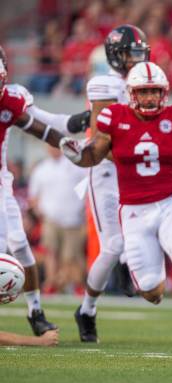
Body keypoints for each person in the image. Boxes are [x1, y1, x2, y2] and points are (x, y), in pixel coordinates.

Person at [59, 61, 172, 349]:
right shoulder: (114, 117)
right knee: (153, 292)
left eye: (154, 91)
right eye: (144, 92)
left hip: (171, 203)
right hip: (135, 211)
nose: (150, 97)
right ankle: (145, 281)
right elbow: (94, 156)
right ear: (131, 93)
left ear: (164, 92)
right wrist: (76, 156)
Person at [1, 45, 88, 336]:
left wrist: (67, 133)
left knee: (18, 243)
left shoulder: (11, 100)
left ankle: (35, 311)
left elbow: (37, 124)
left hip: (0, 182)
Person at [73, 25, 150, 343]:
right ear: (115, 56)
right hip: (106, 169)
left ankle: (128, 265)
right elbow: (104, 139)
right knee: (113, 244)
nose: (137, 60)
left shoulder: (145, 80)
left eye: (139, 53)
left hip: (131, 168)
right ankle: (87, 310)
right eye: (131, 53)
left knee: (145, 230)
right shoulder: (104, 84)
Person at [28, 146, 87, 294]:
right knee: (50, 253)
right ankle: (51, 283)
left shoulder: (75, 167)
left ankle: (74, 283)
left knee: (71, 256)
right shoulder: (41, 169)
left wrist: (83, 210)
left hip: (73, 218)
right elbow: (34, 196)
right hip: (50, 218)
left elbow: (87, 187)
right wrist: (39, 213)